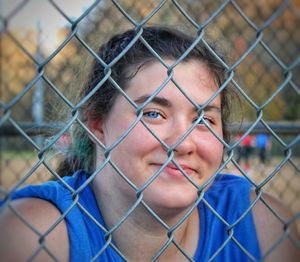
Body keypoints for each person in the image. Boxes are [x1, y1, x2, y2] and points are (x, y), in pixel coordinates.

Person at [0, 26, 299, 262]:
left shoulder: (261, 226)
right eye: (154, 114)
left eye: (204, 120)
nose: (183, 144)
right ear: (97, 125)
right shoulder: (33, 235)